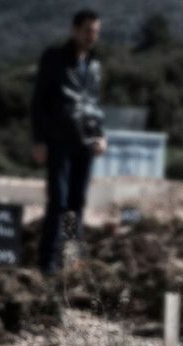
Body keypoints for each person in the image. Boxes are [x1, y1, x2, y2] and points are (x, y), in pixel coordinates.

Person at [31, 8, 107, 275]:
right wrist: (39, 139)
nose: (91, 36)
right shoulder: (54, 59)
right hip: (58, 141)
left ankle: (72, 259)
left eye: (95, 32)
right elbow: (39, 101)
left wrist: (100, 135)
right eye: (87, 31)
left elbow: (94, 105)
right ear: (75, 30)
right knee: (59, 201)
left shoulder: (95, 65)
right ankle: (48, 263)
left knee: (77, 202)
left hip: (85, 143)